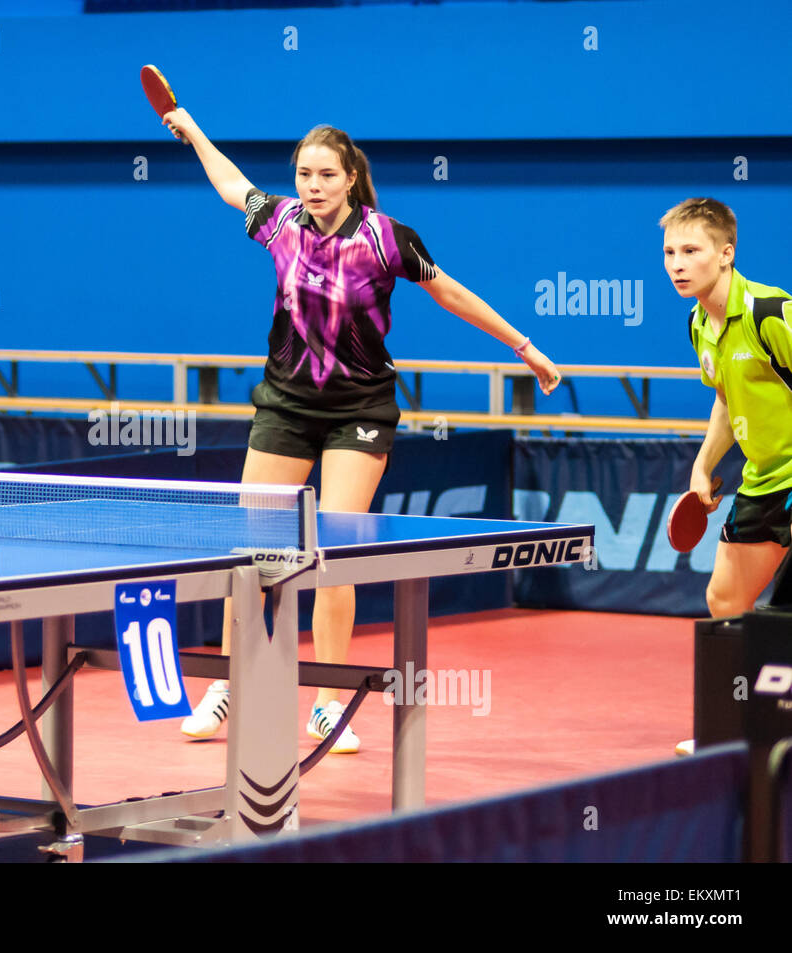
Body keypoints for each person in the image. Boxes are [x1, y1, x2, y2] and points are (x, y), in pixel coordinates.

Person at [160, 112, 562, 751]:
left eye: (325, 175)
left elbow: (450, 293)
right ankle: (228, 685)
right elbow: (233, 185)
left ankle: (326, 702)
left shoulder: (386, 239)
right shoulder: (281, 222)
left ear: (350, 179)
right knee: (247, 555)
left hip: (358, 413)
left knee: (333, 552)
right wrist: (195, 134)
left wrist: (524, 344)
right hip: (285, 406)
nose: (313, 186)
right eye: (303, 175)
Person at [661, 198, 792, 757]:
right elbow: (724, 398)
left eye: (691, 251)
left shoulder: (771, 312)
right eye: (669, 252)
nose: (677, 264)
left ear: (726, 253)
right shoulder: (699, 323)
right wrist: (703, 464)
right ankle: (741, 727)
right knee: (724, 598)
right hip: (763, 477)